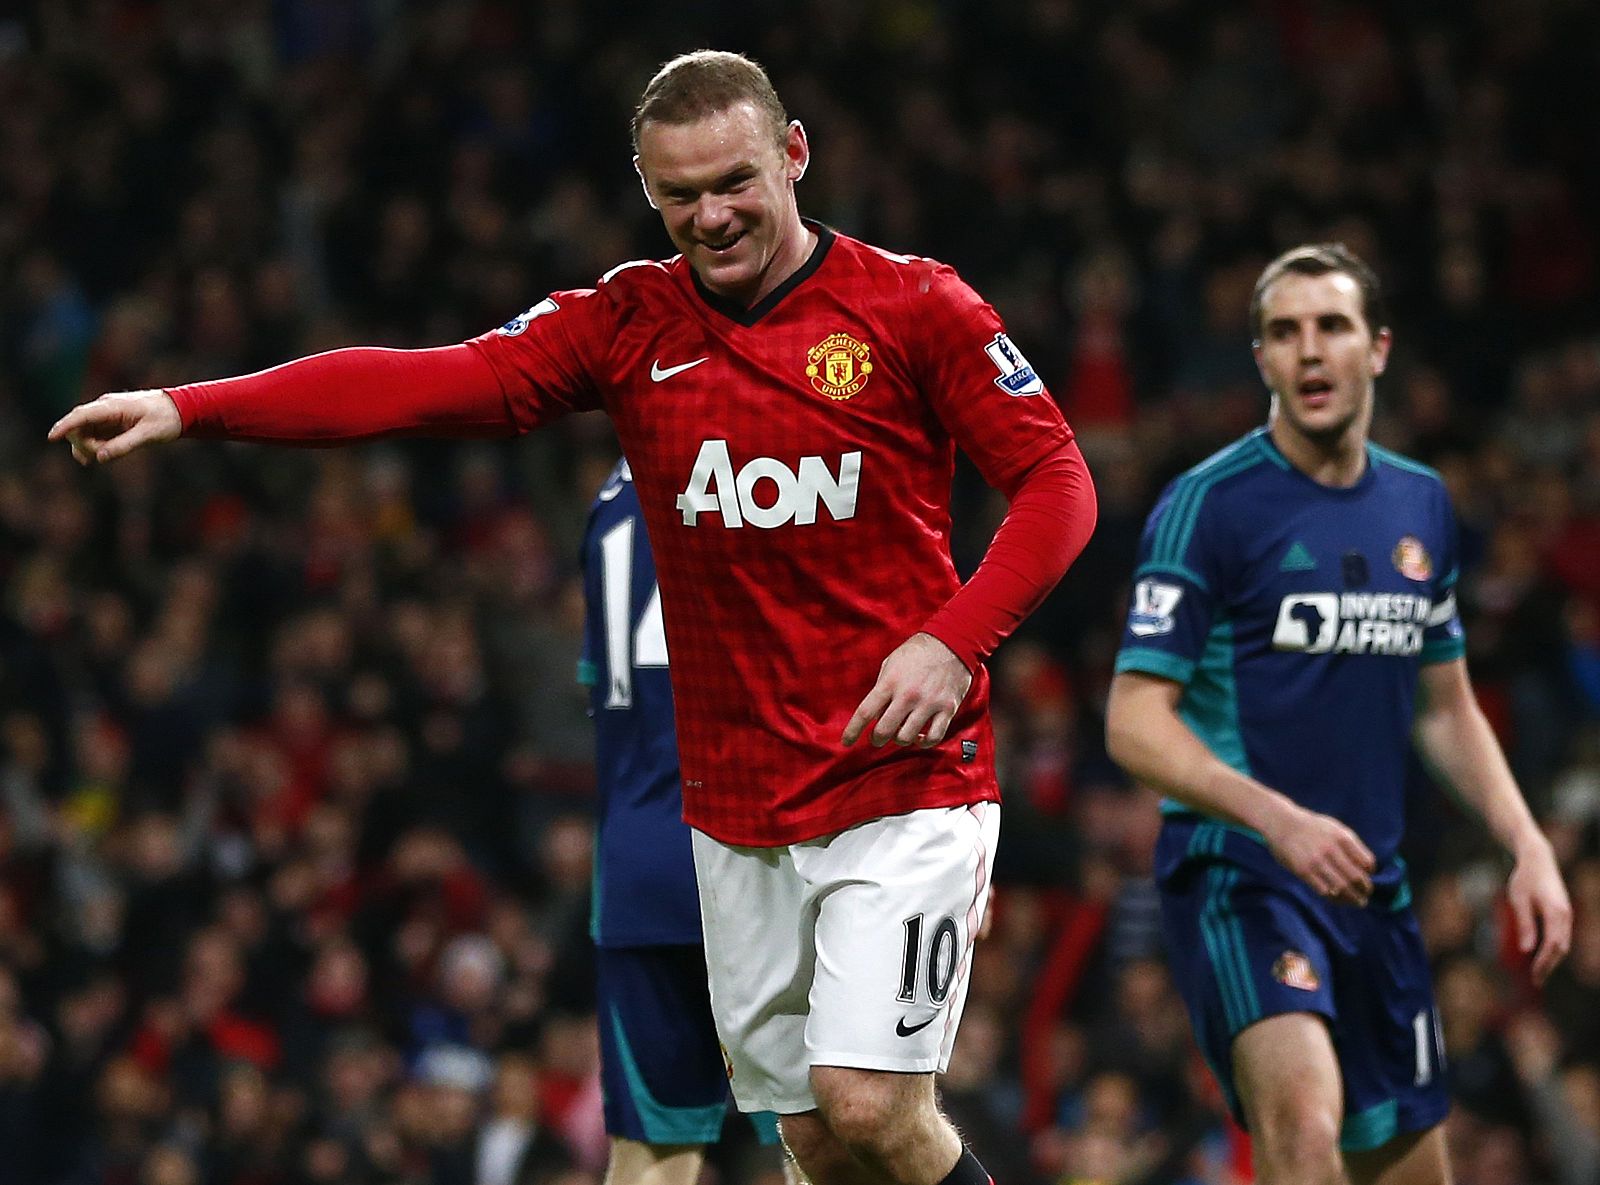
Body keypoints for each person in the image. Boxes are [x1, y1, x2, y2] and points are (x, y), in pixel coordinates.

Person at [51, 50, 1098, 1185]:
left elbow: (1058, 484)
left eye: (735, 181)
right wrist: (187, 407)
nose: (710, 215)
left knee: (868, 1105)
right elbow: (421, 382)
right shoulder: (625, 323)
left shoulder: (914, 304)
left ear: (794, 156)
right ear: (646, 190)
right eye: (678, 194)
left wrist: (953, 638)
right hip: (735, 808)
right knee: (811, 1138)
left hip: (902, 783)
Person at [1104, 242, 1572, 1185]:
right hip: (1243, 873)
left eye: (1332, 327)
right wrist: (1276, 817)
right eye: (1284, 333)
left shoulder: (1422, 502)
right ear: (1262, 360)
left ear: (1379, 348)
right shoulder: (1208, 506)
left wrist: (1526, 841)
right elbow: (1133, 720)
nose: (1310, 351)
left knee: (1408, 1171)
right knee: (1306, 1136)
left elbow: (1444, 706)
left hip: (1374, 889)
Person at [578, 455, 782, 1185]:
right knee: (821, 1141)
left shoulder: (608, 500)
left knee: (652, 1154)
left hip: (639, 868)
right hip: (760, 855)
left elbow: (604, 693)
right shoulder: (770, 470)